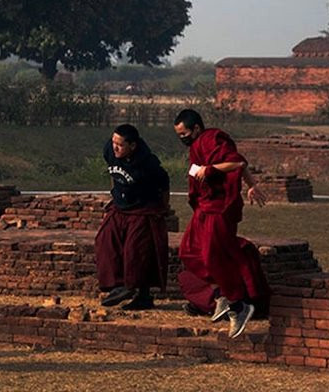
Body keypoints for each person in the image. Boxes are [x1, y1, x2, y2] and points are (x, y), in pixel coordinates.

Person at [173, 109, 269, 339]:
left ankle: (238, 304)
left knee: (212, 255)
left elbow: (235, 162)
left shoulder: (212, 138)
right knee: (188, 252)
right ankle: (221, 291)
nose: (182, 138)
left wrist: (212, 170)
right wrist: (252, 184)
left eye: (184, 133)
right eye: (179, 134)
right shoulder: (197, 147)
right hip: (205, 208)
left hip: (219, 207)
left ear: (196, 128)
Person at [95, 124, 171, 311]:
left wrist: (163, 209)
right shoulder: (110, 150)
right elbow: (112, 172)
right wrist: (115, 193)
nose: (115, 147)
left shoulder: (148, 163)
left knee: (137, 250)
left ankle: (141, 295)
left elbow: (164, 184)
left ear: (132, 146)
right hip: (120, 206)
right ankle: (119, 285)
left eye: (120, 144)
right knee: (105, 240)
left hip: (143, 207)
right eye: (113, 142)